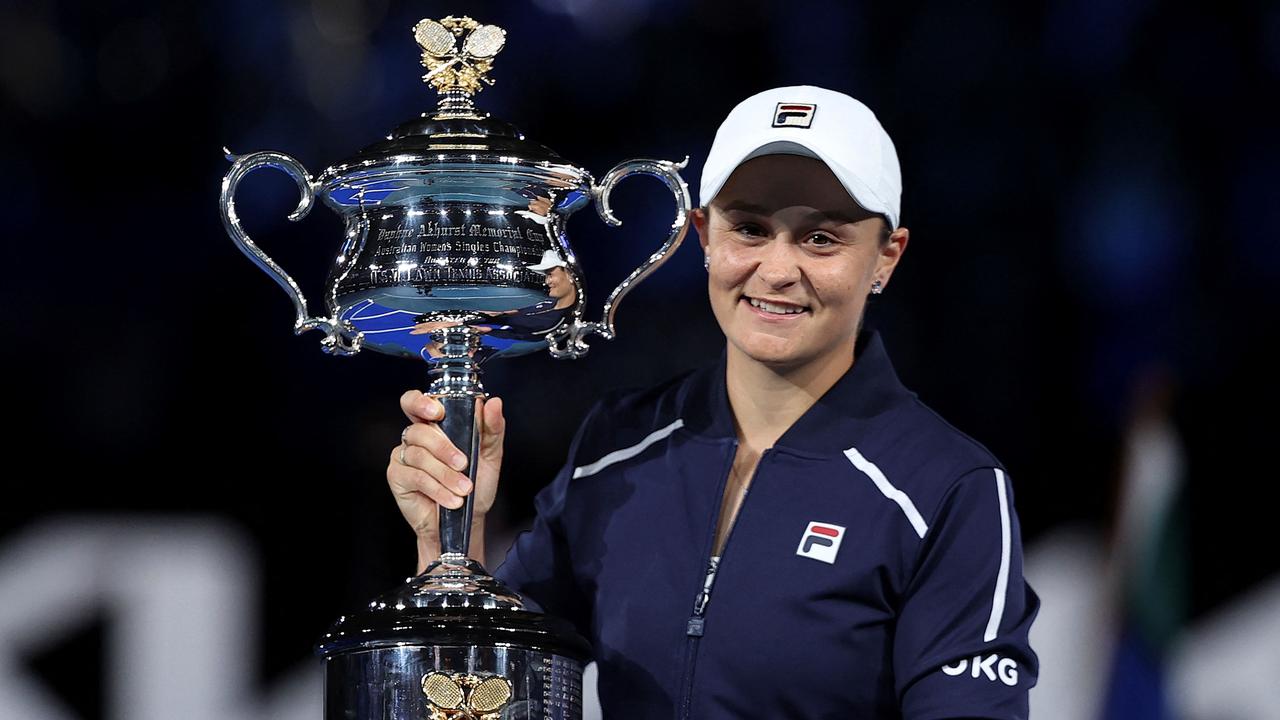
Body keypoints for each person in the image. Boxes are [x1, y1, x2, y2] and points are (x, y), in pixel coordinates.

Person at [387, 85, 1040, 719]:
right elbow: (484, 698)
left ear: (885, 258)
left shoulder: (949, 490)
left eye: (821, 238)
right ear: (703, 235)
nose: (778, 270)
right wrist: (449, 536)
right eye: (749, 228)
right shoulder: (618, 446)